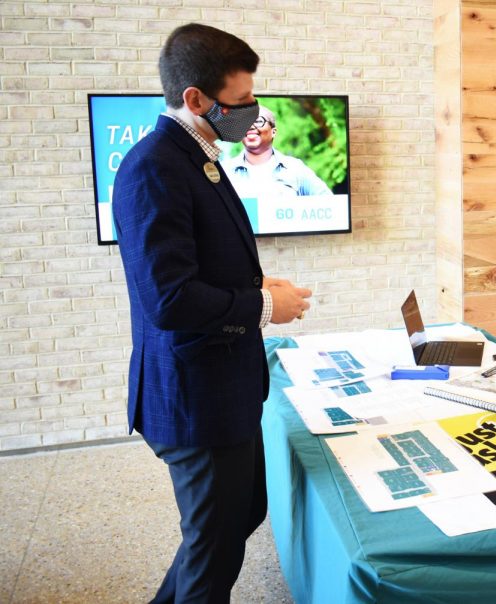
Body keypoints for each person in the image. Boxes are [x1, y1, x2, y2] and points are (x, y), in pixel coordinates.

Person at [112, 23, 311, 602]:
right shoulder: (155, 166)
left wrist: (255, 281)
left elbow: (200, 260)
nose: (252, 114)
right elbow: (169, 298)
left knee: (239, 513)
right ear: (196, 99)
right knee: (213, 546)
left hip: (225, 384)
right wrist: (266, 304)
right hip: (194, 394)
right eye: (240, 102)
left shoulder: (199, 153)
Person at [222, 105, 333, 198]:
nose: (250, 126)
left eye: (258, 121)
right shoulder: (225, 172)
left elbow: (329, 204)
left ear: (273, 132)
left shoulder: (295, 168)